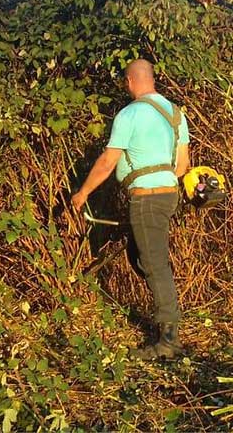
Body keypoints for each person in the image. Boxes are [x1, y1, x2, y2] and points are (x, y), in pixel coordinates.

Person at [71, 59, 190, 359]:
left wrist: (82, 192)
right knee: (139, 254)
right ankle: (167, 312)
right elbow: (182, 166)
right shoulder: (175, 114)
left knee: (154, 264)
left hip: (147, 198)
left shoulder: (129, 114)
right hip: (167, 196)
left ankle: (169, 340)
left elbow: (108, 162)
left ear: (129, 82)